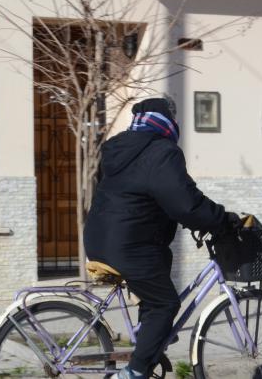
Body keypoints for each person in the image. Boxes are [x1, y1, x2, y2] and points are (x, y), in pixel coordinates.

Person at [83, 97, 239, 379]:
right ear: (166, 120)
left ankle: (150, 337)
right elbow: (184, 202)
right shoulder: (161, 152)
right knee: (164, 303)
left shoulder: (120, 149)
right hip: (127, 245)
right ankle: (134, 372)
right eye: (173, 117)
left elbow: (143, 197)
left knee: (158, 263)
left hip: (101, 238)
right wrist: (221, 219)